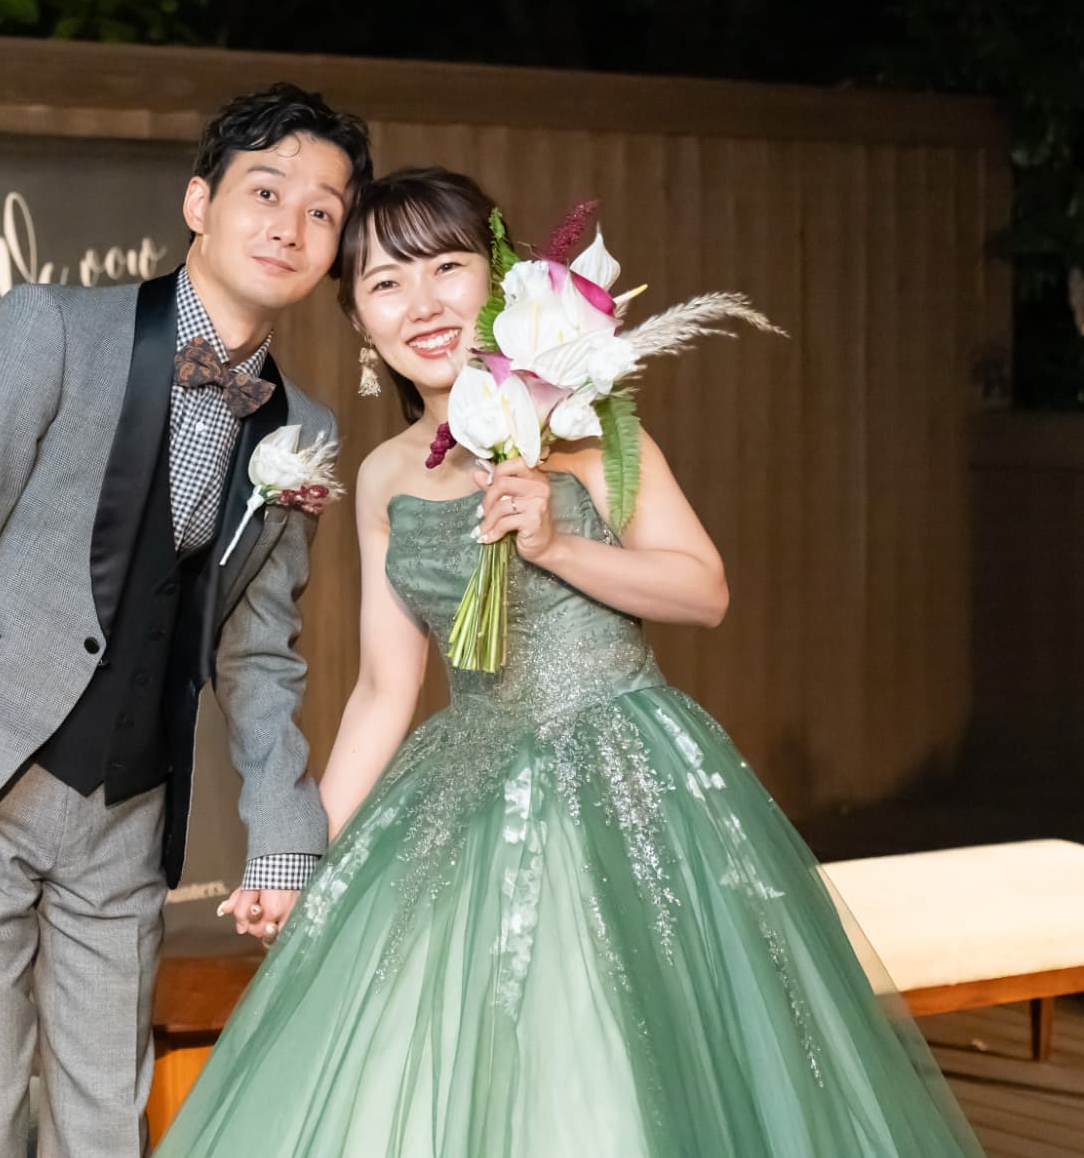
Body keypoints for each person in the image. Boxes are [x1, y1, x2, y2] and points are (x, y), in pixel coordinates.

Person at [153, 167, 984, 1157]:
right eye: (384, 283)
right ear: (360, 324)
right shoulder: (380, 477)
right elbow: (382, 690)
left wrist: (554, 547)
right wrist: (298, 858)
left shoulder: (586, 429)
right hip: (462, 790)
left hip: (627, 775)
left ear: (500, 278)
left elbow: (703, 590)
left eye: (445, 268)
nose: (420, 303)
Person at [0, 84, 372, 1157]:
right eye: (265, 192)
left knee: (104, 1121)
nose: (290, 224)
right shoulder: (50, 331)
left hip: (127, 815)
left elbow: (258, 651)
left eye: (321, 211)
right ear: (199, 203)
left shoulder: (301, 431)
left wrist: (284, 837)